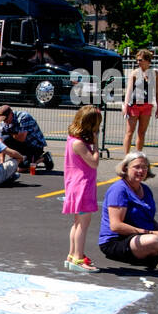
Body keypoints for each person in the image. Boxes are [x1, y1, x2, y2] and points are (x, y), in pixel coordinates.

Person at [62, 105, 101, 272]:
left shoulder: (73, 139)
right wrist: (97, 143)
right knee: (83, 224)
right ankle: (78, 257)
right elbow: (94, 162)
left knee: (78, 223)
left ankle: (73, 254)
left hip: (76, 185)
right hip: (82, 186)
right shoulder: (79, 143)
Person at [122, 48, 158, 154]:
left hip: (147, 105)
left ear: (148, 61)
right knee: (129, 132)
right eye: (137, 60)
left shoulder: (155, 74)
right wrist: (125, 105)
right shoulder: (134, 73)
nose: (138, 62)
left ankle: (138, 155)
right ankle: (127, 156)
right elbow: (129, 91)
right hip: (134, 105)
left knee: (141, 133)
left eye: (141, 60)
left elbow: (157, 91)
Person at [0, 105, 53, 171]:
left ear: (11, 113)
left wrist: (10, 134)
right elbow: (1, 145)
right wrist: (2, 163)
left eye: (6, 119)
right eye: (3, 120)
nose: (5, 121)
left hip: (34, 146)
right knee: (5, 138)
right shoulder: (4, 123)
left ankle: (44, 157)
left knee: (21, 169)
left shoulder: (24, 117)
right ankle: (21, 159)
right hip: (22, 145)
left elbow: (21, 138)